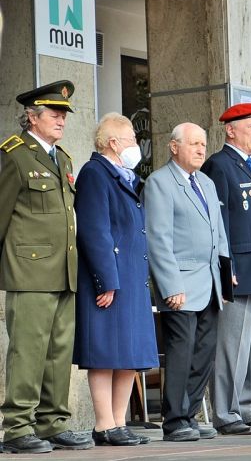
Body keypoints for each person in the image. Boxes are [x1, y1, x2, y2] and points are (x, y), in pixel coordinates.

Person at [0, 80, 94, 454]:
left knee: (58, 352)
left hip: (63, 270)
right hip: (29, 271)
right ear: (32, 117)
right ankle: (17, 427)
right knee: (28, 350)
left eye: (64, 115)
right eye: (54, 114)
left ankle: (52, 423)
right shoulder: (14, 155)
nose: (61, 120)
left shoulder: (63, 159)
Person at [73, 113, 159, 446]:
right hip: (110, 277)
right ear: (113, 142)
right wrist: (105, 280)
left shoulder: (127, 176)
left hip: (132, 277)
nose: (136, 146)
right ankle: (103, 424)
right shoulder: (95, 173)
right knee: (105, 352)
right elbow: (95, 231)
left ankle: (119, 422)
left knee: (129, 355)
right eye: (132, 140)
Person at [144, 122, 230, 442]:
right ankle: (174, 420)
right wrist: (171, 286)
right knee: (181, 353)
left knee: (204, 352)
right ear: (174, 146)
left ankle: (190, 415)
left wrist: (225, 277)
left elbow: (218, 233)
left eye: (203, 144)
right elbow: (158, 239)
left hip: (210, 283)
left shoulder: (206, 182)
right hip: (180, 284)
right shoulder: (160, 182)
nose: (200, 149)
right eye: (193, 143)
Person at [201, 103, 251, 435]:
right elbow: (218, 222)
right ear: (231, 130)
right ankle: (226, 412)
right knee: (232, 347)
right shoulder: (220, 165)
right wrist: (226, 267)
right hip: (239, 271)